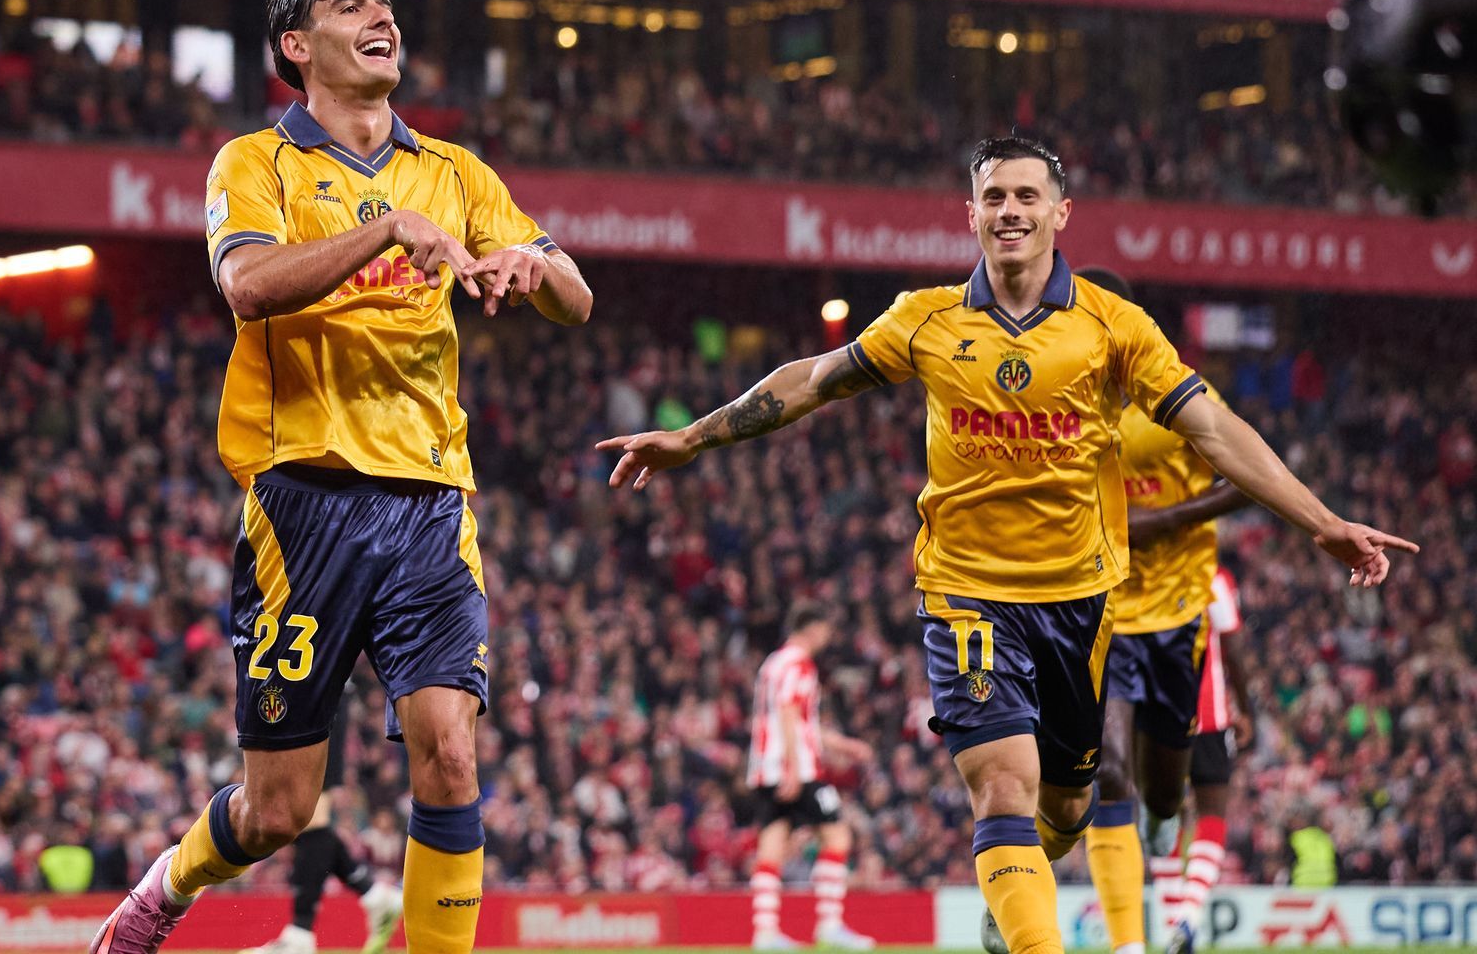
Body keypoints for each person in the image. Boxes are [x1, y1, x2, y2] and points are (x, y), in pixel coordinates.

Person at [596, 136, 1415, 954]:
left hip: (1080, 602)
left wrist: (1324, 524)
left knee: (1063, 811)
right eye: (994, 198)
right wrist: (693, 438)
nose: (1010, 211)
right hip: (968, 596)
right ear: (972, 215)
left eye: (1027, 196)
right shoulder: (926, 320)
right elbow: (811, 381)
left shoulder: (1112, 328)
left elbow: (1216, 431)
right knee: (1000, 788)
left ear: (1060, 214)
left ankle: (1014, 891)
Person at [90, 0, 592, 954]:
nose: (384, 18)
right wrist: (391, 233)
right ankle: (162, 894)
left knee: (450, 754)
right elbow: (251, 287)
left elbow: (578, 299)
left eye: (389, 6)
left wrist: (532, 263)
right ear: (296, 44)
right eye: (353, 4)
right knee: (279, 808)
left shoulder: (455, 172)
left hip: (430, 503)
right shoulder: (255, 165)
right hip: (303, 509)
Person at [1072, 267, 1251, 954]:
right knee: (1107, 767)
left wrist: (1167, 518)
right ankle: (1128, 945)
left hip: (1176, 612)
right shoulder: (1067, 408)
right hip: (1102, 609)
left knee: (1164, 793)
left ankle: (1159, 821)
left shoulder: (1173, 396)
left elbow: (1246, 476)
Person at [747, 603, 876, 951]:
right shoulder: (798, 664)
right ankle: (830, 925)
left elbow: (800, 721)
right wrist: (792, 767)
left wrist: (842, 744)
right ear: (812, 628)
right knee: (837, 835)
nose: (827, 638)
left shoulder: (773, 663)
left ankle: (765, 932)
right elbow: (790, 713)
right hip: (797, 769)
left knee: (771, 845)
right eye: (825, 630)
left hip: (765, 767)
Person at [238, 700, 404, 954]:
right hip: (309, 693)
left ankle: (300, 935)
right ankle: (374, 897)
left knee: (310, 820)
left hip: (316, 692)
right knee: (306, 821)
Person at [1151, 566, 1254, 954]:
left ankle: (1169, 924)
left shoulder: (1145, 568)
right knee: (1212, 811)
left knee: (1162, 815)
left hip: (1156, 718)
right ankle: (1189, 917)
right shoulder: (1213, 577)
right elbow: (1232, 648)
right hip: (1209, 716)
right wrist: (1245, 709)